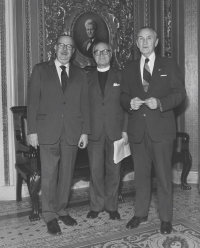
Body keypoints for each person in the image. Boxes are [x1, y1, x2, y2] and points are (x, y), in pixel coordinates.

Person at [120, 27, 186, 234]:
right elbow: (122, 96)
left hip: (162, 131)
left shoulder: (169, 64)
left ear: (156, 41)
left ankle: (166, 218)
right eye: (141, 39)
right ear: (137, 43)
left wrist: (160, 102)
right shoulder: (129, 68)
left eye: (149, 38)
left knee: (164, 177)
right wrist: (129, 102)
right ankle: (140, 213)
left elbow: (179, 94)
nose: (145, 42)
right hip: (138, 131)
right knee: (140, 176)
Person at [27, 34, 90, 235]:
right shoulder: (40, 70)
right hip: (47, 130)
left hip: (72, 130)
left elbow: (85, 106)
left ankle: (61, 210)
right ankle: (49, 215)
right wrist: (32, 131)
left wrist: (85, 132)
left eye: (69, 47)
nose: (64, 50)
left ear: (73, 51)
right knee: (49, 175)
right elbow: (33, 102)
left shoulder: (81, 74)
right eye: (61, 46)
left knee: (67, 174)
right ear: (55, 48)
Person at [86, 42, 128, 220]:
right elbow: (83, 107)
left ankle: (112, 206)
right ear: (93, 55)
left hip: (116, 131)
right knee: (95, 171)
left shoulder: (121, 76)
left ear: (111, 54)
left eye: (105, 51)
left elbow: (127, 105)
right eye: (97, 52)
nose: (101, 54)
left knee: (114, 171)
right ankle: (96, 206)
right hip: (94, 132)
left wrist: (125, 130)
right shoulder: (87, 78)